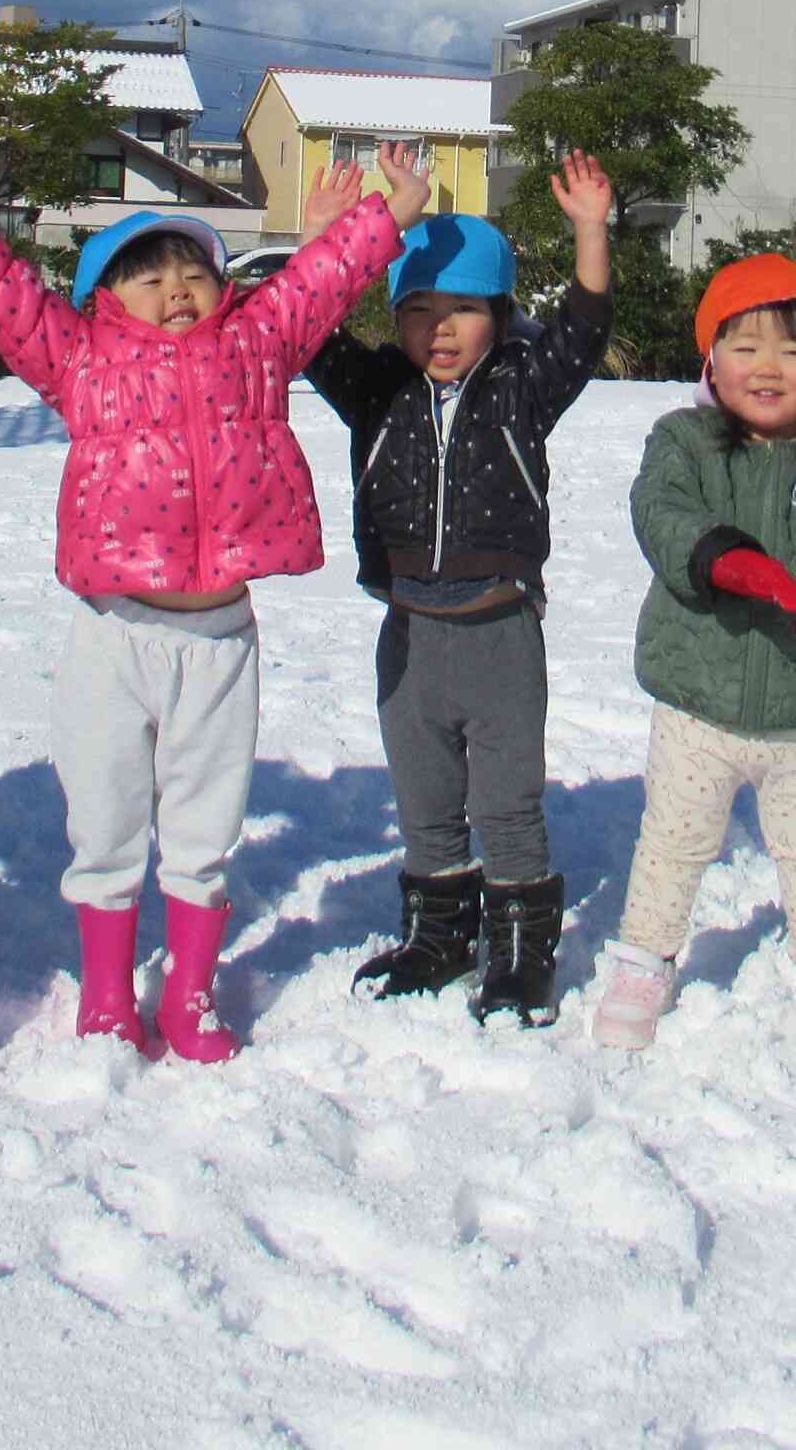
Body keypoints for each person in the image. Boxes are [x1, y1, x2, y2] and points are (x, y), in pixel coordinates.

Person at [0, 134, 414, 1064]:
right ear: (102, 300)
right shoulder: (79, 361)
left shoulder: (257, 344)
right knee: (106, 817)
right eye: (146, 277)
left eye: (191, 269)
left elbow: (320, 282)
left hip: (220, 637)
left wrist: (387, 212)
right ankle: (109, 991)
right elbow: (3, 293)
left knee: (205, 821)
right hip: (115, 636)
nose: (176, 289)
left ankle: (190, 991)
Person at [305, 153, 617, 1026]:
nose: (440, 330)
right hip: (409, 634)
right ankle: (436, 936)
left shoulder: (522, 390)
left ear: (500, 316)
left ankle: (521, 954)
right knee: (426, 799)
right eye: (419, 310)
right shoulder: (377, 392)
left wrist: (591, 229)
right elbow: (305, 329)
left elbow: (585, 328)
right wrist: (322, 241)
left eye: (464, 311)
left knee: (508, 802)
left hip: (499, 632)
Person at [593, 253, 796, 1055]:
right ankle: (644, 961)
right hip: (699, 701)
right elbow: (660, 511)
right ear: (710, 358)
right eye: (744, 345)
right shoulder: (685, 441)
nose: (767, 367)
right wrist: (721, 557)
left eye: (793, 349)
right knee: (674, 843)